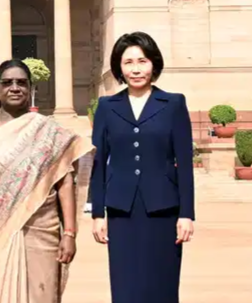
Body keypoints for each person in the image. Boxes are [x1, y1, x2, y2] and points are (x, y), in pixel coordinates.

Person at [0, 59, 91, 303]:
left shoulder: (49, 130)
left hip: (42, 232)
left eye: (21, 83)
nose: (15, 87)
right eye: (7, 83)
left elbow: (65, 184)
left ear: (30, 88)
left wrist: (69, 234)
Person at [91, 32, 195, 303]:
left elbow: (184, 163)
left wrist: (187, 214)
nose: (136, 69)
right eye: (128, 63)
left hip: (163, 209)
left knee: (162, 285)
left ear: (154, 64)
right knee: (126, 286)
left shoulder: (173, 104)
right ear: (119, 68)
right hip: (121, 210)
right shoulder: (106, 106)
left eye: (143, 61)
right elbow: (98, 162)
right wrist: (97, 213)